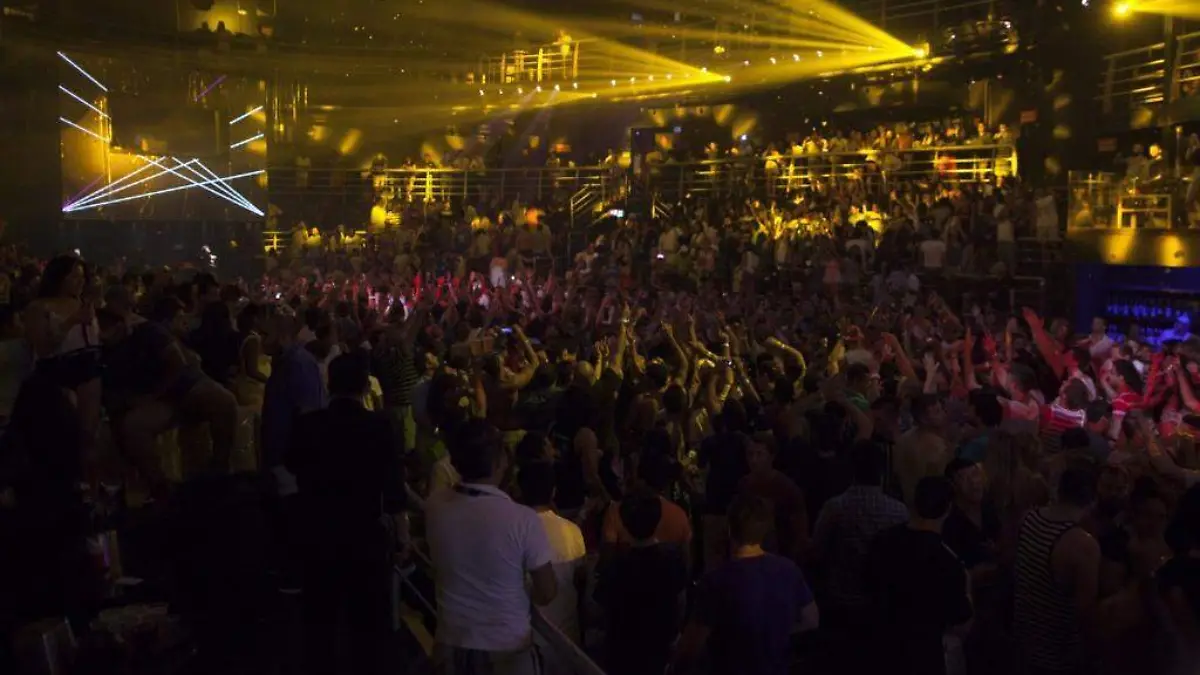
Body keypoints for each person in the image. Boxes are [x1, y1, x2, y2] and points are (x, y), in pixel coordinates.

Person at [285, 352, 409, 675]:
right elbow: (393, 488)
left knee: (320, 616)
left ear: (330, 383)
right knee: (367, 620)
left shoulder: (308, 424)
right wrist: (403, 535)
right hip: (363, 533)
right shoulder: (380, 425)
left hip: (317, 530)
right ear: (365, 386)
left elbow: (291, 464)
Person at [425, 419, 557, 675]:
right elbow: (547, 591)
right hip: (506, 647)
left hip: (451, 641)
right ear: (500, 462)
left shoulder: (434, 505)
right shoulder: (523, 520)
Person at [673, 493, 819, 675]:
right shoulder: (789, 570)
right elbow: (811, 619)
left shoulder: (715, 581)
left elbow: (690, 649)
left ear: (729, 529)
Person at [865, 476, 974, 675]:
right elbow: (961, 619)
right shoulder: (947, 561)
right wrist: (967, 588)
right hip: (924, 658)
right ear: (948, 508)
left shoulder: (882, 541)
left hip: (879, 650)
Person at [1013, 463, 1100, 675]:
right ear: (1092, 499)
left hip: (1023, 641)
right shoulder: (1082, 545)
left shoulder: (1028, 518)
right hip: (1058, 655)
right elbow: (1085, 612)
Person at [594, 488, 688, 675]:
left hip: (621, 653)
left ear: (624, 521)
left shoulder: (615, 566)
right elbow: (680, 603)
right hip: (659, 649)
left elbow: (599, 608)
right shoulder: (672, 561)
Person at [517, 461, 586, 667]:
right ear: (553, 491)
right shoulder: (572, 530)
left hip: (527, 639)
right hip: (566, 636)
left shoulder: (513, 533)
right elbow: (580, 579)